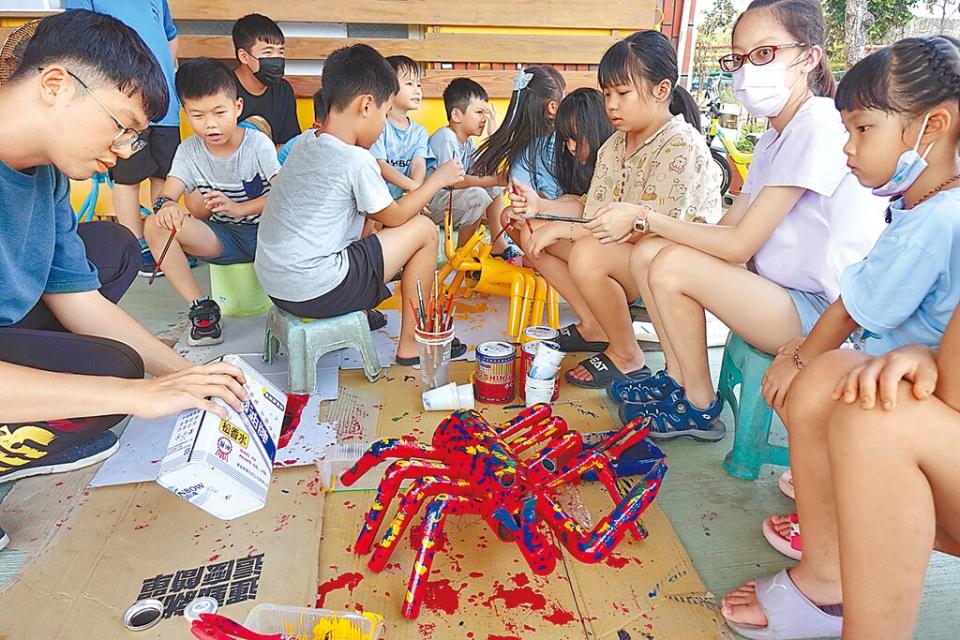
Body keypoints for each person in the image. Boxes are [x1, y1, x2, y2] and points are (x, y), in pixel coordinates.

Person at [0, 10, 245, 551]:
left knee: (113, 250)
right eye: (123, 127)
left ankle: (37, 409)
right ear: (56, 85)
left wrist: (187, 377)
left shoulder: (47, 175)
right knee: (116, 378)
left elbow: (77, 297)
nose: (120, 153)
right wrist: (138, 392)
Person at [740, 34, 960, 605]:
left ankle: (830, 543)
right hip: (903, 364)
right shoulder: (925, 204)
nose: (848, 149)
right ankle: (827, 513)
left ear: (930, 128)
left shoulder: (936, 218)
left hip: (911, 389)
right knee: (810, 363)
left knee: (810, 379)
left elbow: (852, 310)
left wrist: (799, 358)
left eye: (863, 129)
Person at [608, 0, 887, 440]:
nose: (746, 69)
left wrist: (646, 217)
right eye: (738, 58)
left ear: (808, 56)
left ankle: (699, 405)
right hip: (781, 294)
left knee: (669, 261)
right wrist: (653, 231)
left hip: (827, 314)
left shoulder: (816, 124)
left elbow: (739, 246)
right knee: (650, 254)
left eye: (763, 54)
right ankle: (680, 381)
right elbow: (729, 225)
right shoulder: (776, 135)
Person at [509, 31, 722, 392]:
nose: (611, 105)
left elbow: (652, 232)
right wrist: (541, 213)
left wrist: (564, 229)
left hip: (673, 264)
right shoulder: (614, 146)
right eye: (607, 94)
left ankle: (627, 353)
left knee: (588, 254)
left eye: (622, 93)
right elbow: (594, 211)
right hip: (632, 256)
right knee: (528, 230)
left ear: (661, 90)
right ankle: (594, 325)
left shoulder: (680, 146)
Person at [255, 44, 467, 366]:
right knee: (424, 231)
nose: (382, 126)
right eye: (383, 115)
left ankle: (366, 311)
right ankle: (413, 344)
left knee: (372, 228)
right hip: (316, 290)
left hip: (276, 284)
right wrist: (437, 180)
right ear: (366, 105)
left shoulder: (305, 144)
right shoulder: (356, 159)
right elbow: (395, 216)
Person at [142, 58, 280, 347]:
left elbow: (283, 196)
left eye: (220, 112)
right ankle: (202, 308)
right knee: (155, 226)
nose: (211, 124)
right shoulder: (189, 151)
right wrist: (167, 207)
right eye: (198, 115)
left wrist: (239, 208)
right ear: (185, 113)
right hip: (222, 240)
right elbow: (168, 194)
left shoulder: (257, 145)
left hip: (267, 238)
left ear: (238, 107)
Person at [65, 0, 182, 277]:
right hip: (124, 107)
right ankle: (135, 245)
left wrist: (167, 78)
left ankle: (165, 244)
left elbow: (170, 37)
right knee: (127, 179)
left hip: (166, 107)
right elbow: (78, 39)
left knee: (165, 178)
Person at [472, 65, 566, 259]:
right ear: (553, 106)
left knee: (509, 215)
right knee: (509, 214)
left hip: (540, 222)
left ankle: (537, 261)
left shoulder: (519, 148)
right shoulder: (563, 140)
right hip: (566, 220)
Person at [425, 77, 505, 248]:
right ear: (456, 115)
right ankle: (463, 252)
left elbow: (485, 171)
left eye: (486, 113)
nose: (484, 119)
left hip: (449, 198)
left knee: (493, 186)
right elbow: (454, 182)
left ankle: (498, 243)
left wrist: (494, 138)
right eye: (479, 113)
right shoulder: (446, 138)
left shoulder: (467, 142)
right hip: (431, 201)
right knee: (478, 195)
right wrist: (495, 179)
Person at [370, 56, 434, 200]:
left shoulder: (419, 132)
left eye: (419, 85)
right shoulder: (378, 125)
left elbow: (418, 164)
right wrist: (414, 188)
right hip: (376, 200)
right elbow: (380, 165)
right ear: (388, 88)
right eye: (409, 83)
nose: (417, 90)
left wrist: (415, 192)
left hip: (404, 198)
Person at [232, 13, 300, 145]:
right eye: (268, 52)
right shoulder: (222, 89)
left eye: (280, 52)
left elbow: (289, 145)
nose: (277, 59)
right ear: (244, 56)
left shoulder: (283, 90)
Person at [553, 87, 615, 198]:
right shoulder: (571, 172)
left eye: (577, 138)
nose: (571, 147)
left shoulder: (619, 168)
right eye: (566, 140)